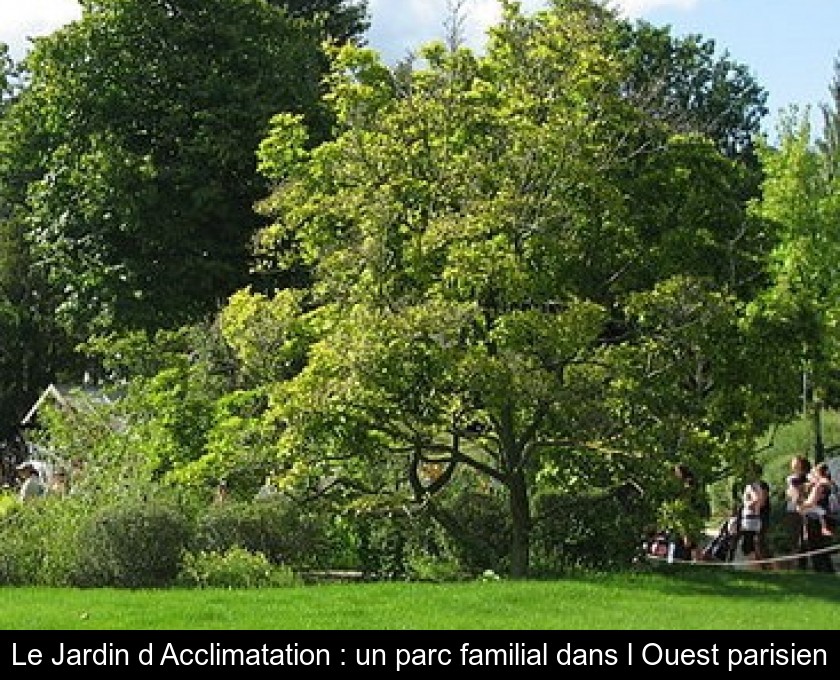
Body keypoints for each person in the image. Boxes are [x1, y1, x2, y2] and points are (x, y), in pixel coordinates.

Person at [798, 462, 837, 573]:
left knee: (816, 548)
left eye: (814, 472)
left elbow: (811, 502)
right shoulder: (831, 484)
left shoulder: (820, 486)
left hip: (816, 521)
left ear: (819, 473)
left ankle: (821, 572)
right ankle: (829, 572)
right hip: (827, 517)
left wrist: (799, 503)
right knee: (823, 548)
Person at [737, 461, 770, 567]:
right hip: (752, 518)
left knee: (748, 545)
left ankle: (756, 568)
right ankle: (758, 567)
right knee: (753, 545)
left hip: (751, 519)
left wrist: (748, 504)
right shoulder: (754, 486)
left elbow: (758, 499)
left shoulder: (753, 486)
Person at [783, 455, 811, 569]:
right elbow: (790, 493)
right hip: (792, 509)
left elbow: (798, 493)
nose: (793, 464)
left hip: (803, 509)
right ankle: (797, 563)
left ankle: (801, 563)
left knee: (803, 537)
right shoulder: (791, 478)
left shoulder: (808, 477)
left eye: (796, 462)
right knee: (794, 537)